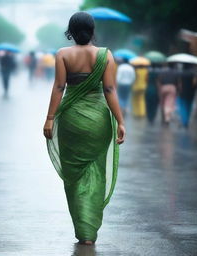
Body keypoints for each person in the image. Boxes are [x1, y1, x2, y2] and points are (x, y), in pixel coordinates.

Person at [43, 12, 125, 245]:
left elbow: (59, 87)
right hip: (98, 121)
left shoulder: (62, 55)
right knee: (96, 172)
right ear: (92, 30)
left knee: (74, 176)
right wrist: (120, 121)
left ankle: (82, 230)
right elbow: (110, 91)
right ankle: (89, 232)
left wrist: (49, 119)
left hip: (71, 121)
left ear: (71, 30)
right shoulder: (105, 55)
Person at [178, 63, 197, 128]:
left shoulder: (181, 73)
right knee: (189, 107)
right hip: (191, 93)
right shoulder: (193, 74)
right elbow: (194, 84)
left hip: (182, 92)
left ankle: (184, 121)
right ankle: (187, 121)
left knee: (182, 107)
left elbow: (179, 84)